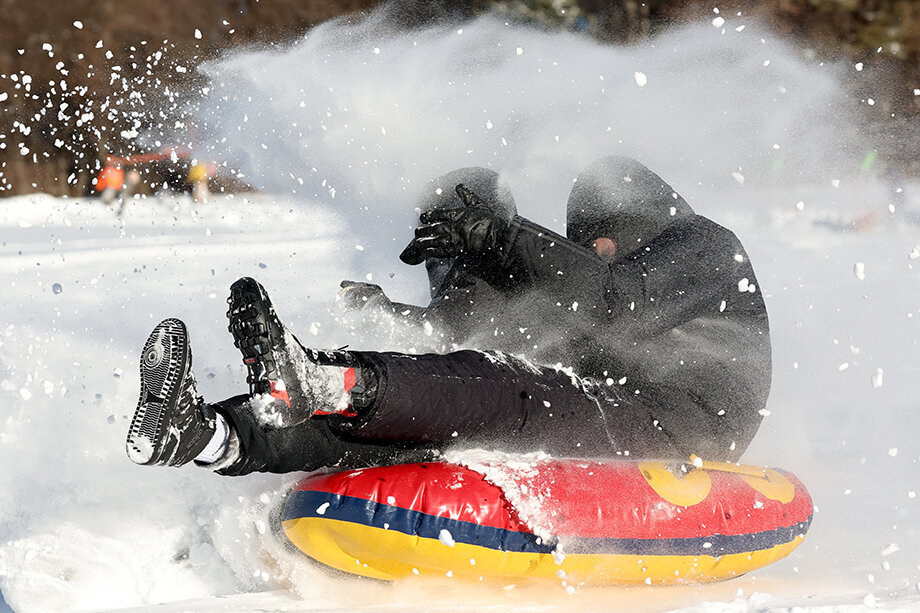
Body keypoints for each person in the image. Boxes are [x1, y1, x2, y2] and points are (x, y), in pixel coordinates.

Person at [126, 157, 771, 476]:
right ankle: (207, 433)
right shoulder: (600, 277)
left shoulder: (705, 247)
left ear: (642, 219)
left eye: (603, 237)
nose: (595, 250)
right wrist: (400, 320)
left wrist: (502, 235)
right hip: (615, 401)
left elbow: (608, 306)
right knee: (444, 404)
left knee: (508, 394)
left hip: (688, 420)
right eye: (586, 241)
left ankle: (321, 381)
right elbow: (472, 339)